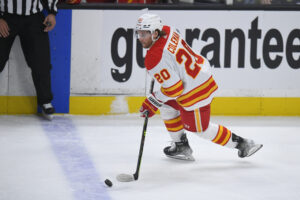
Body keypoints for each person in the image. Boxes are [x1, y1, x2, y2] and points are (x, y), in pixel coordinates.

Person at [136, 13, 263, 161]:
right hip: (201, 77)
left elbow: (175, 89)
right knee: (166, 106)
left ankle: (243, 144)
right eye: (138, 33)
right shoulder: (167, 30)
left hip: (194, 93)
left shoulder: (153, 58)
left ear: (155, 33)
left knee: (200, 129)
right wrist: (158, 98)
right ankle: (181, 146)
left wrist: (153, 101)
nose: (140, 37)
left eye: (144, 34)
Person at [0, 0, 58, 119]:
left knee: (41, 61)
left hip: (34, 18)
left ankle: (45, 101)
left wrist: (52, 12)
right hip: (5, 17)